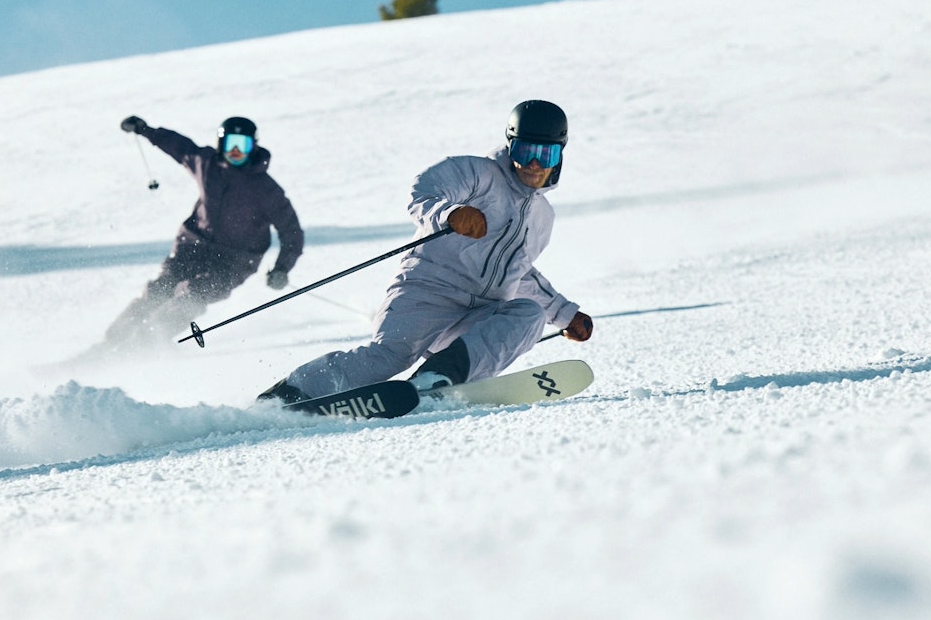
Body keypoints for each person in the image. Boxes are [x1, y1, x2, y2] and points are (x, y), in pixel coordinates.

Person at [259, 99, 592, 404]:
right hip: (426, 294)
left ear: (559, 156)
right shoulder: (478, 174)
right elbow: (425, 191)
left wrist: (565, 314)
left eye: (545, 155)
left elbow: (521, 275)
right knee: (389, 357)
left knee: (528, 315)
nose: (533, 164)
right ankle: (290, 393)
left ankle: (438, 379)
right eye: (524, 151)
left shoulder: (543, 217)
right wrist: (450, 214)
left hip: (476, 319)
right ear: (510, 147)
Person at [103, 115, 304, 349]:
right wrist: (145, 130)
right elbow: (180, 146)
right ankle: (111, 342)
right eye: (231, 145)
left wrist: (282, 268)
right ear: (221, 145)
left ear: (254, 147)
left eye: (244, 146)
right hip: (194, 246)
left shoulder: (265, 189)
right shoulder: (208, 165)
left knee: (191, 295)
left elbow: (292, 232)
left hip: (234, 262)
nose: (236, 151)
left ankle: (142, 345)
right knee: (161, 288)